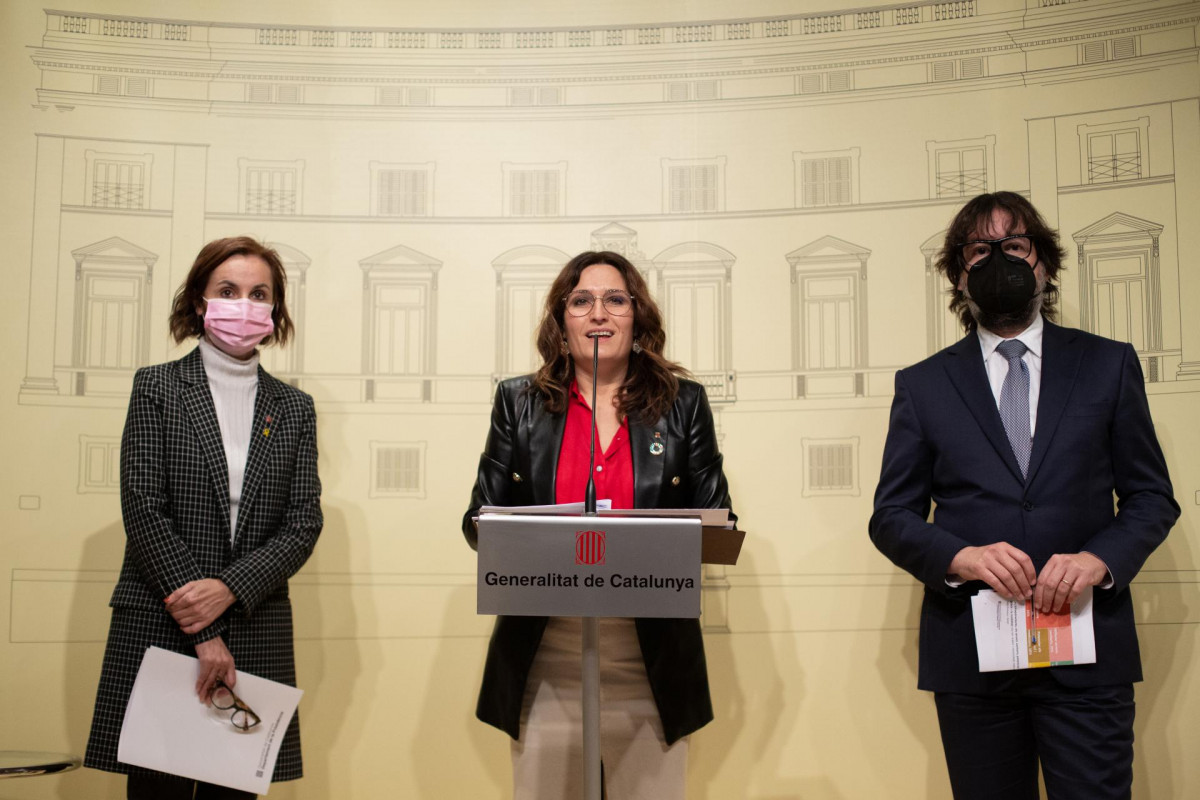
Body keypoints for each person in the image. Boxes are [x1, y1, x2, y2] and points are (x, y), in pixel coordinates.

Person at [869, 192, 1179, 799]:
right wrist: (962, 557)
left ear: (1044, 263)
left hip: (1087, 658)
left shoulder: (1109, 365)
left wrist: (1099, 560)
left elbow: (1151, 497)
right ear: (959, 273)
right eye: (980, 250)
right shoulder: (923, 384)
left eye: (1014, 246)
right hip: (974, 659)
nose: (998, 261)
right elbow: (891, 517)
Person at [462, 250, 733, 799]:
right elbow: (478, 522)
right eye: (581, 301)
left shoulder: (683, 405)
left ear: (638, 318)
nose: (599, 314)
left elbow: (719, 523)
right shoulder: (518, 403)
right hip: (547, 658)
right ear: (562, 321)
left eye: (616, 300)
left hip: (650, 658)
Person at [84, 237, 324, 799]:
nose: (244, 304)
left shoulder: (294, 407)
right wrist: (205, 627)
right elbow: (144, 510)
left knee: (235, 793)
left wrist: (229, 590)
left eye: (258, 293)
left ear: (275, 309)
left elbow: (302, 523)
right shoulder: (157, 387)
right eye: (228, 290)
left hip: (254, 623)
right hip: (163, 622)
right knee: (157, 791)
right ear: (199, 301)